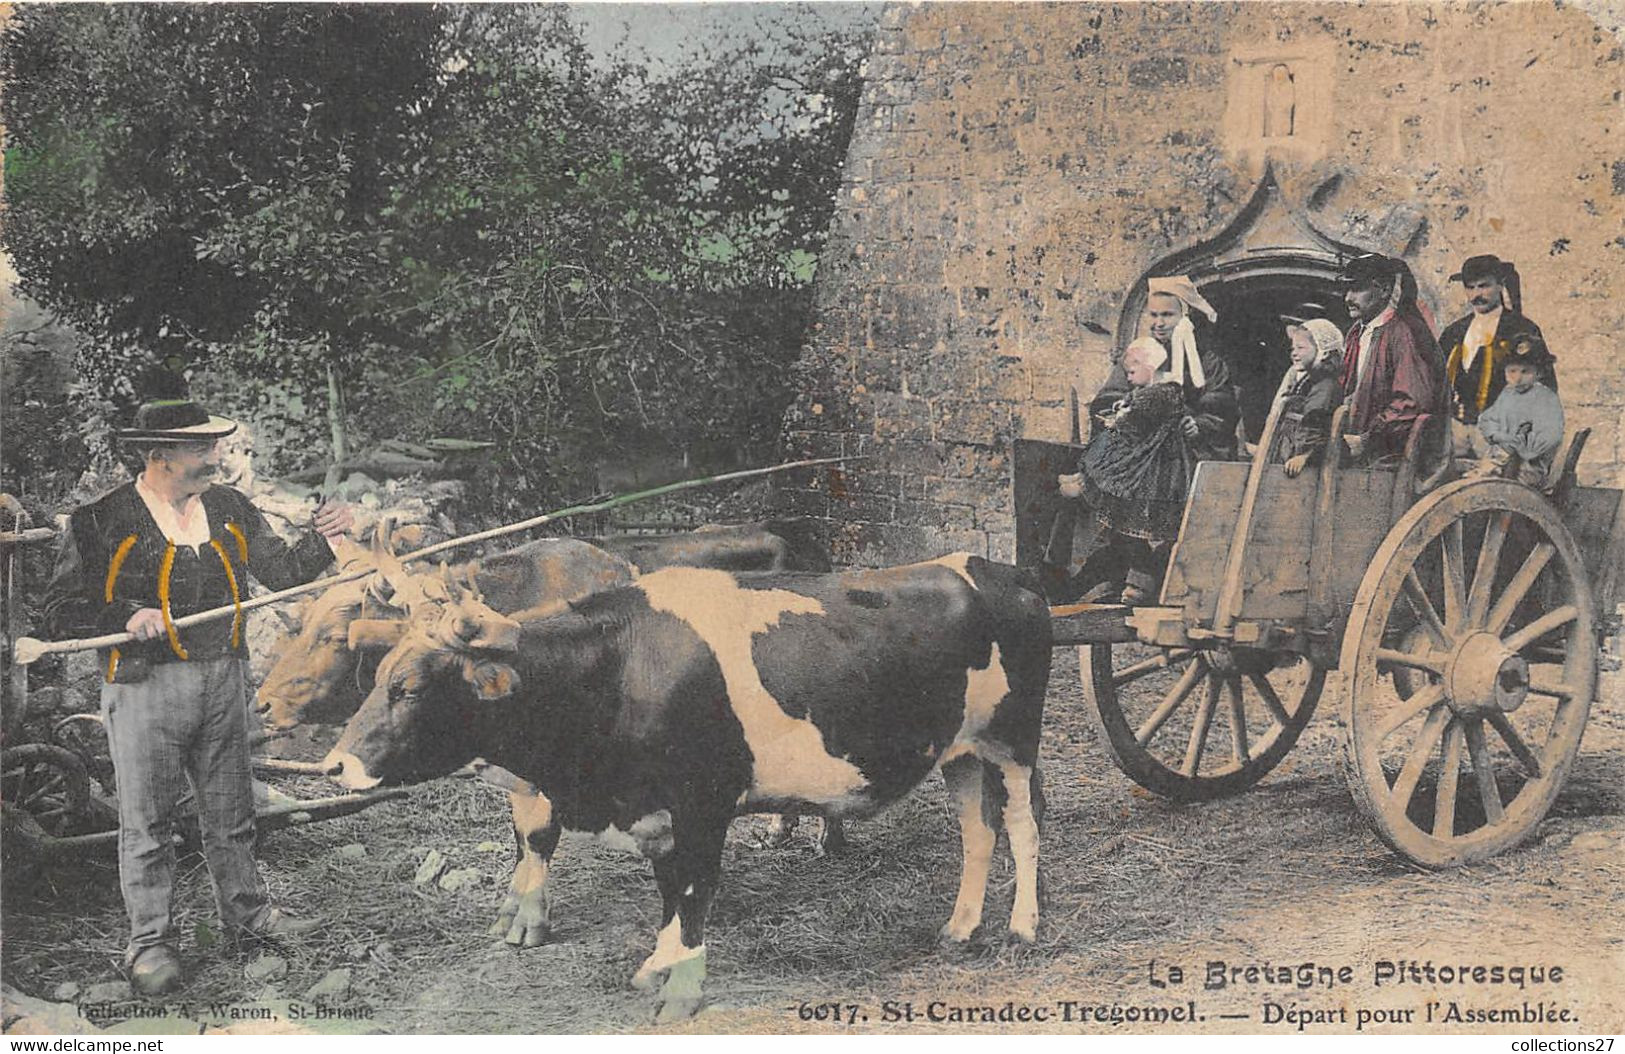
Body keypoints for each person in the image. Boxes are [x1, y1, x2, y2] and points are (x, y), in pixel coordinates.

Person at [43, 399, 354, 997]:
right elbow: (59, 613)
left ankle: (249, 916)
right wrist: (124, 615)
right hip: (144, 690)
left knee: (230, 812)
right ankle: (151, 943)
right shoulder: (100, 520)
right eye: (203, 449)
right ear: (158, 455)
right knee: (149, 822)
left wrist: (323, 538)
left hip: (223, 680)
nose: (217, 458)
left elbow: (283, 572)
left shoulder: (230, 508)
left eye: (215, 447)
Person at [1060, 338, 1190, 603]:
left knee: (1136, 523)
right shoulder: (1151, 391)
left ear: (1150, 366)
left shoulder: (1164, 391)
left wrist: (1121, 418)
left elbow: (1136, 419)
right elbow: (1133, 405)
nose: (1128, 378)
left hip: (1156, 470)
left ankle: (1140, 585)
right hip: (1147, 462)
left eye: (1132, 372)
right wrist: (1123, 409)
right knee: (1129, 526)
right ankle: (1085, 480)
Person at [1437, 255, 1555, 459]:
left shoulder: (1521, 329)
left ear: (1500, 285)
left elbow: (1544, 387)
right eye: (1470, 287)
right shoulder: (1454, 331)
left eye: (1484, 286)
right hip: (1456, 433)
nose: (1476, 294)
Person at [1337, 253, 1446, 463]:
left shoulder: (1402, 333)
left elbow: (1412, 403)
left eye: (1358, 289)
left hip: (1388, 456)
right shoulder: (1356, 332)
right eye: (1347, 289)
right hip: (1352, 448)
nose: (1348, 298)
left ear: (1385, 290)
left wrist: (1368, 439)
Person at [1142, 275, 1240, 462]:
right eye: (1154, 315)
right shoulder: (1139, 353)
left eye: (1167, 315)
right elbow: (1113, 392)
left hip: (1192, 448)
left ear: (1183, 317)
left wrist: (1198, 425)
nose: (1159, 323)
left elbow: (1221, 406)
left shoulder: (1208, 362)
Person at [1458, 335, 1564, 486]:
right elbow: (1487, 419)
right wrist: (1496, 434)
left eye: (1525, 372)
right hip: (1501, 460)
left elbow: (1549, 437)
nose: (1518, 378)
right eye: (1512, 371)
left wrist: (1518, 445)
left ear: (1539, 373)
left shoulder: (1545, 399)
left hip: (1527, 469)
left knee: (1487, 484)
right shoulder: (1508, 394)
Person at [1270, 317, 1344, 478]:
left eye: (1301, 348)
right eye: (1293, 348)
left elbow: (1315, 422)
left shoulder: (1325, 386)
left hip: (1307, 465)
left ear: (1323, 351)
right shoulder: (1306, 382)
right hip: (1289, 454)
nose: (1294, 353)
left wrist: (1304, 455)